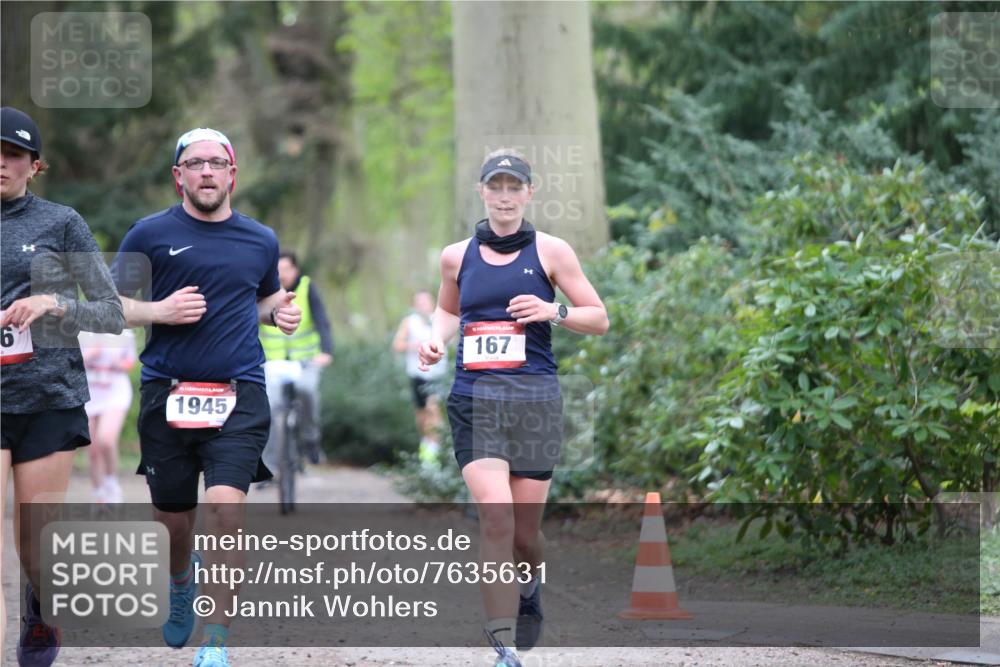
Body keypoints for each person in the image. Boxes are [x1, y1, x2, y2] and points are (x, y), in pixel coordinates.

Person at [112, 128, 301, 667]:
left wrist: (279, 313)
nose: (207, 172)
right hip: (166, 393)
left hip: (239, 392)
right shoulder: (148, 234)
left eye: (217, 163)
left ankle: (215, 639)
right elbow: (109, 304)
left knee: (225, 510)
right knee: (174, 522)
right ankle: (179, 581)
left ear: (233, 173)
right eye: (194, 163)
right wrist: (158, 312)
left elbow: (261, 300)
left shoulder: (260, 239)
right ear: (178, 176)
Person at [418, 149, 609, 666]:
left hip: (534, 401)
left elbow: (599, 317)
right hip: (475, 400)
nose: (504, 195)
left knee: (526, 535)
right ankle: (503, 648)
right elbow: (446, 308)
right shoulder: (456, 256)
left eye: (514, 186)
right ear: (481, 191)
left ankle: (530, 590)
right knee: (497, 520)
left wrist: (554, 310)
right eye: (495, 186)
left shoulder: (552, 252)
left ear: (529, 192)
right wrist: (435, 339)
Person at [0, 106, 126, 667]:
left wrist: (53, 301)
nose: (1, 164)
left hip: (47, 397)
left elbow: (110, 311)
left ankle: (40, 610)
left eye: (12, 155)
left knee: (34, 541)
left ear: (34, 165)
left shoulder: (61, 222)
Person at [259, 251, 333, 471]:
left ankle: (311, 441)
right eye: (277, 270)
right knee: (270, 409)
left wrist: (326, 351)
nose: (282, 274)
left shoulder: (307, 287)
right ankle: (270, 467)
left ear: (296, 270)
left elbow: (322, 320)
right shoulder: (263, 289)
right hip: (272, 361)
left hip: (306, 359)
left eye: (286, 269)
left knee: (307, 390)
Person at [80, 329, 138, 503]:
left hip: (115, 391)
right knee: (92, 448)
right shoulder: (81, 334)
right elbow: (70, 363)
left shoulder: (125, 334)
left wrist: (117, 363)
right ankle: (99, 493)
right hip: (89, 392)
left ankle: (111, 482)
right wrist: (91, 354)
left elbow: (130, 363)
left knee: (106, 440)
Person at [392, 290, 447, 464]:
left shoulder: (440, 320)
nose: (423, 305)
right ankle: (426, 447)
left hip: (437, 376)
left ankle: (434, 453)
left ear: (432, 302)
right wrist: (415, 345)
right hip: (417, 374)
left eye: (426, 301)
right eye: (419, 302)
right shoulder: (410, 322)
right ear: (414, 305)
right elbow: (397, 345)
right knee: (422, 415)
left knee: (433, 410)